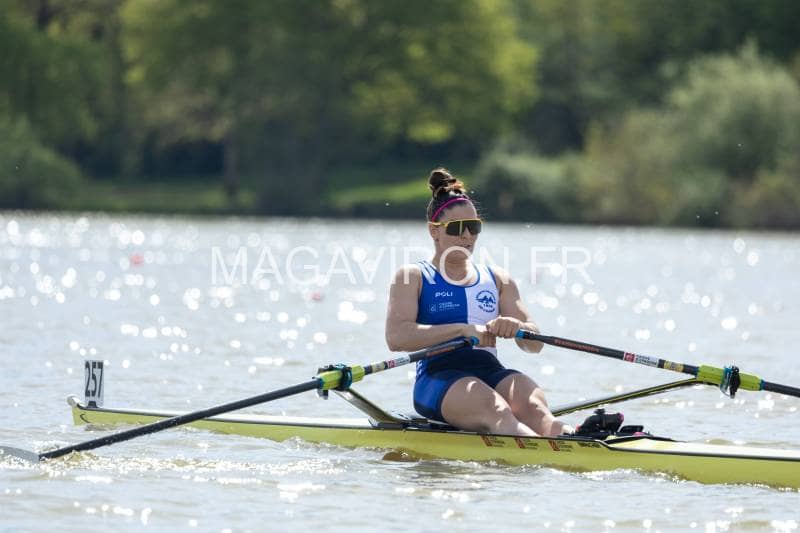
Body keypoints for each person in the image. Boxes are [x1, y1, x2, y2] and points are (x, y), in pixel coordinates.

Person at [385, 168, 573, 437]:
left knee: (535, 407)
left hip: (490, 371)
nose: (467, 236)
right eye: (457, 228)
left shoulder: (498, 279)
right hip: (438, 377)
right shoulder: (412, 276)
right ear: (434, 231)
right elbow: (396, 338)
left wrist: (518, 327)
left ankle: (574, 438)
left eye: (473, 227)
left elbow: (535, 345)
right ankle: (541, 452)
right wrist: (462, 330)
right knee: (497, 410)